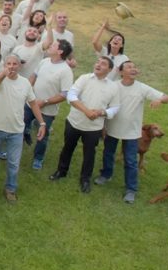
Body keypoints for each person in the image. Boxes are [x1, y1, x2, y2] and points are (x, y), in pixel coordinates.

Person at [95, 61, 168, 203]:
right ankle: (106, 175)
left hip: (132, 132)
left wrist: (160, 100)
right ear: (121, 72)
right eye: (129, 67)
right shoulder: (114, 86)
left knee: (130, 161)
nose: (133, 69)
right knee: (108, 153)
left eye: (135, 67)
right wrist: (103, 125)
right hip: (112, 129)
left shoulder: (142, 88)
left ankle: (131, 190)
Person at [49, 57, 121, 193]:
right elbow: (71, 95)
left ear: (110, 70)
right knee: (67, 148)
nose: (98, 65)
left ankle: (85, 179)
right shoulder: (84, 78)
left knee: (89, 154)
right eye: (98, 62)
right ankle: (61, 171)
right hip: (74, 122)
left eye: (103, 64)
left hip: (94, 128)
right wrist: (86, 111)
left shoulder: (113, 87)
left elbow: (115, 107)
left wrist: (102, 112)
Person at [0, 55, 46, 203]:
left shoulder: (25, 84)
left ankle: (10, 189)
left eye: (15, 64)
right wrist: (4, 73)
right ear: (4, 66)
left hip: (16, 131)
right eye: (8, 64)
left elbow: (33, 103)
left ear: (19, 66)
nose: (11, 66)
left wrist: (42, 123)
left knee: (13, 163)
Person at [26, 39, 74, 170]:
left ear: (60, 51)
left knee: (42, 135)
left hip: (47, 110)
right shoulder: (44, 61)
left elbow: (64, 94)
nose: (50, 46)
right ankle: (21, 140)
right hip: (30, 103)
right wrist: (26, 91)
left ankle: (38, 158)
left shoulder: (66, 71)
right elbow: (33, 76)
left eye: (53, 45)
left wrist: (44, 102)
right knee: (21, 125)